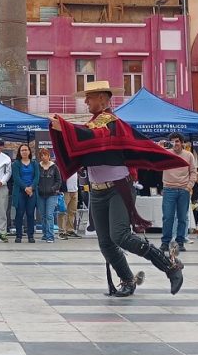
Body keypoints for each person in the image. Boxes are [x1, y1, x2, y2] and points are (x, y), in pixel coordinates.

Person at [50, 80, 187, 296]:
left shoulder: (112, 123)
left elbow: (96, 138)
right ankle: (128, 281)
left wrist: (65, 127)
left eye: (90, 97)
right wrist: (63, 130)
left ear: (103, 99)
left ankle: (170, 266)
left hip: (118, 188)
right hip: (97, 190)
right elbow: (84, 138)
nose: (85, 101)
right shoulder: (94, 124)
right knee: (105, 243)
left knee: (121, 235)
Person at [160, 133, 197, 254]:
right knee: (167, 217)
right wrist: (159, 148)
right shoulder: (165, 154)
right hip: (169, 189)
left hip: (183, 190)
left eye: (177, 141)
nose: (175, 144)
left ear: (182, 143)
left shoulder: (189, 155)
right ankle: (165, 242)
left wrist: (189, 186)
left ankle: (180, 242)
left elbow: (193, 172)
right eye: (172, 142)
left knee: (182, 217)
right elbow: (156, 163)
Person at [11, 144, 39, 243]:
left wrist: (31, 188)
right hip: (20, 192)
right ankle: (18, 235)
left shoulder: (34, 163)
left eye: (26, 150)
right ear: (19, 152)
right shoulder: (16, 164)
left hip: (32, 192)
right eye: (22, 150)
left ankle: (30, 235)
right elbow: (16, 178)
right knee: (19, 213)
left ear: (29, 152)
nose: (24, 152)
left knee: (30, 214)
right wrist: (25, 188)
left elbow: (36, 177)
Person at [36, 148, 62, 243]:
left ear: (48, 156)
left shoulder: (54, 167)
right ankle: (45, 234)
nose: (43, 157)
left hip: (52, 195)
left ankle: (50, 236)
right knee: (43, 215)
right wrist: (38, 188)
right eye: (42, 155)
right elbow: (35, 179)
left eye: (45, 155)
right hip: (40, 195)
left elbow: (59, 181)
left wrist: (52, 189)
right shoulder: (38, 167)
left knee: (49, 215)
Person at [58, 169, 80, 239]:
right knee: (63, 212)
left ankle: (69, 230)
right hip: (65, 191)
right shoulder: (62, 164)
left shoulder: (75, 165)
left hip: (75, 190)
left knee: (72, 212)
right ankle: (61, 231)